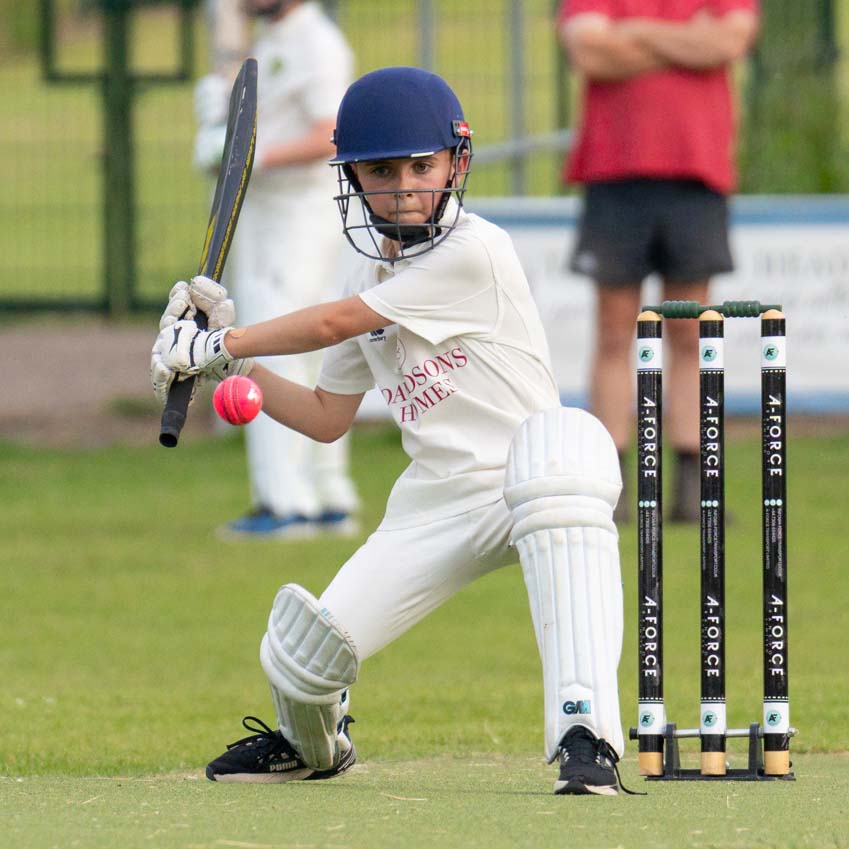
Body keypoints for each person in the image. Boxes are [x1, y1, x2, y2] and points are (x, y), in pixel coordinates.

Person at [152, 67, 630, 796]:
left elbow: (330, 324)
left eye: (420, 166)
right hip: (433, 504)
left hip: (526, 479)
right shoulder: (367, 275)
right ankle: (312, 744)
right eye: (382, 169)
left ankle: (584, 735)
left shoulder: (476, 251)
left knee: (563, 452)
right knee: (299, 657)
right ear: (351, 177)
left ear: (454, 164)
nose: (404, 186)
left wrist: (225, 341)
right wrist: (219, 362)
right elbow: (324, 417)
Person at [557, 0, 760, 522]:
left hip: (696, 175)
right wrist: (681, 41)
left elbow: (728, 42)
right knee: (613, 332)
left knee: (692, 334)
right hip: (614, 175)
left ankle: (694, 487)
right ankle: (612, 483)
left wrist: (635, 35)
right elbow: (590, 52)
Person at [190, 0, 359, 538]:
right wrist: (219, 116)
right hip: (267, 217)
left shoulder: (317, 43)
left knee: (266, 343)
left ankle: (285, 501)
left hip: (296, 219)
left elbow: (329, 134)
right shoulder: (273, 40)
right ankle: (328, 495)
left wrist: (248, 155)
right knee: (303, 355)